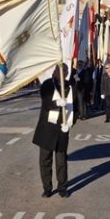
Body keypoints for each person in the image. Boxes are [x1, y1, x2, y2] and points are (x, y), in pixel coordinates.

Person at [32, 65, 73, 199]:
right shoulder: (48, 85)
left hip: (62, 128)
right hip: (47, 128)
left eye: (65, 71)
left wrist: (71, 123)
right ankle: (47, 188)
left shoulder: (70, 85)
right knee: (45, 160)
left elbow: (76, 106)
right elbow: (45, 102)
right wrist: (57, 103)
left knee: (61, 161)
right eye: (59, 71)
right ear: (55, 71)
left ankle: (62, 188)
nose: (62, 73)